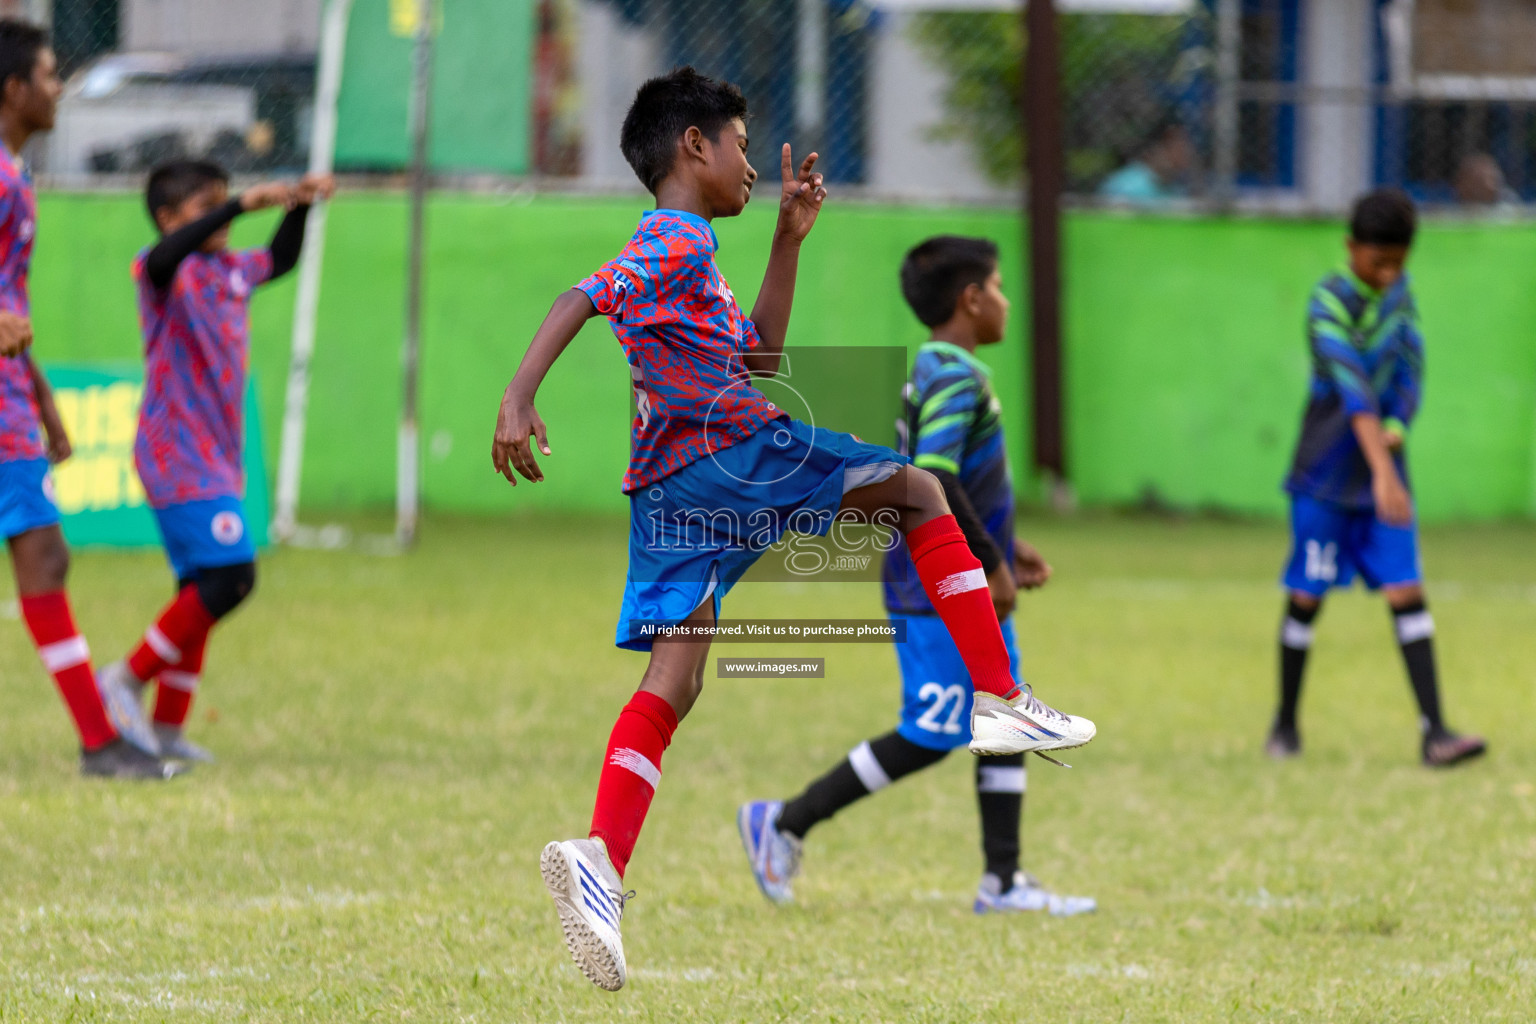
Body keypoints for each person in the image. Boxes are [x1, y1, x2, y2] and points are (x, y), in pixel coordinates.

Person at [489, 67, 1096, 992]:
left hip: (669, 488)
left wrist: (787, 239)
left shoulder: (696, 257)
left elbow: (761, 356)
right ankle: (1002, 697)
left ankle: (601, 864)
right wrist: (517, 394)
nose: (748, 163)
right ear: (695, 145)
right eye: (738, 143)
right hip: (732, 453)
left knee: (674, 680)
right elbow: (585, 293)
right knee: (922, 492)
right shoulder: (670, 237)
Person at [737, 236, 1094, 917]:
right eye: (998, 286)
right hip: (934, 586)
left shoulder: (932, 366)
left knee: (1007, 714)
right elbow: (937, 475)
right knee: (931, 733)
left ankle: (1005, 881)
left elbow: (958, 483)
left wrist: (1006, 546)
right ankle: (784, 821)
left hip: (940, 573)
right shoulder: (959, 376)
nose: (1006, 301)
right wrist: (988, 562)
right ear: (972, 299)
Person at [93, 160, 335, 764]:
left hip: (218, 455)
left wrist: (298, 206)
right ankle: (124, 677)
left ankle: (168, 729)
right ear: (169, 220)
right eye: (208, 209)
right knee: (233, 576)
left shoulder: (228, 270)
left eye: (224, 204)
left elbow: (279, 260)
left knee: (198, 588)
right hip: (175, 454)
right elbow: (160, 258)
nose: (225, 218)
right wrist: (243, 206)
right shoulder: (162, 273)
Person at [0, 20, 175, 780]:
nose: (57, 85)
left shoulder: (17, 177)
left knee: (44, 556)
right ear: (12, 90)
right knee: (44, 556)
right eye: (45, 73)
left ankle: (100, 742)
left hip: (9, 398)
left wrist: (41, 398)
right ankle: (102, 742)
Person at [1268, 188, 1484, 768]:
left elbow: (1410, 366)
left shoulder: (1402, 296)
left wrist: (1399, 424)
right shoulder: (1326, 302)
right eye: (1377, 262)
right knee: (1307, 596)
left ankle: (1435, 732)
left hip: (1384, 473)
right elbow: (1354, 390)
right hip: (1325, 475)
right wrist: (1385, 470)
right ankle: (1285, 724)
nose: (1388, 274)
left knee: (1406, 589)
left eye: (1398, 262)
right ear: (1351, 248)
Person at [1098, 121, 1196, 206]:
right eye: (1176, 147)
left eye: (1185, 146)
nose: (1184, 152)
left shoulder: (1175, 189)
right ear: (1157, 148)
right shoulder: (1125, 186)